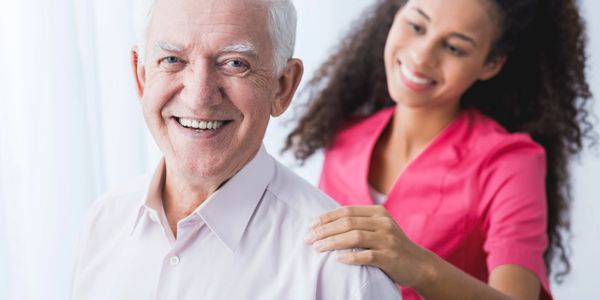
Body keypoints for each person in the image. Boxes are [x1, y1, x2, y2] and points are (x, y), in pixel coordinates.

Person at [70, 0, 402, 299]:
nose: (200, 95)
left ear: (283, 87)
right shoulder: (104, 221)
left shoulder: (341, 270)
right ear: (141, 77)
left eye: (234, 63)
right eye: (172, 59)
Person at [286, 0, 594, 299]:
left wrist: (419, 266)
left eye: (454, 48)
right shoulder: (344, 137)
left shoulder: (509, 162)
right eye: (417, 26)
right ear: (396, 13)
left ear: (490, 63)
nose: (421, 57)